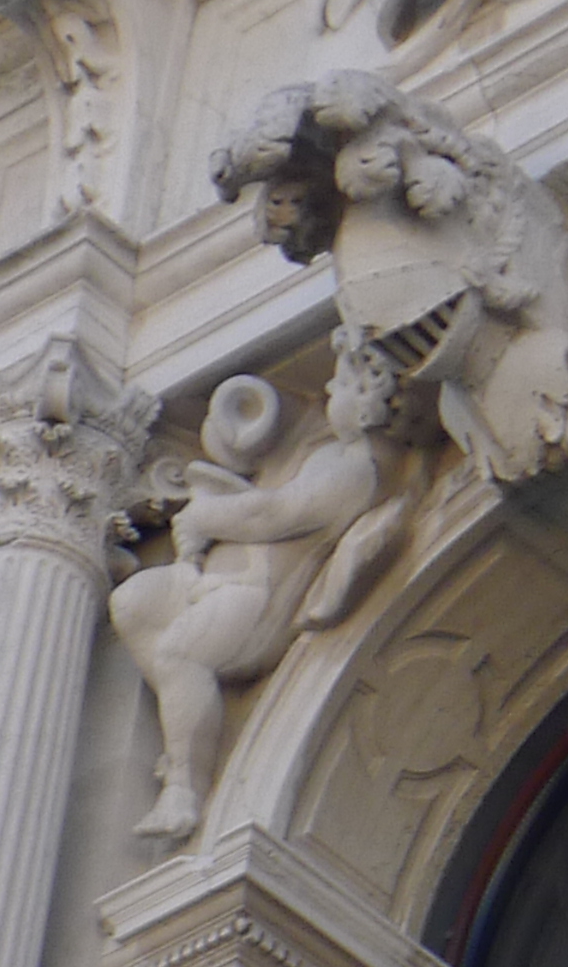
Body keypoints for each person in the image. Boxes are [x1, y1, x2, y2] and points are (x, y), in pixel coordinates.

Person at [113, 328, 418, 841]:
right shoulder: (332, 449)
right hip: (223, 580)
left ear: (370, 399)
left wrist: (206, 516)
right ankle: (184, 719)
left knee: (181, 652)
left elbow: (275, 513)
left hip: (259, 599)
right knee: (132, 600)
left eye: (343, 384)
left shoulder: (363, 465)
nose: (329, 390)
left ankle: (184, 788)